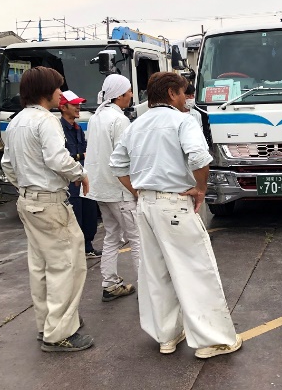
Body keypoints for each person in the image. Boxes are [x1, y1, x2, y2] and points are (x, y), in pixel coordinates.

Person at [110, 72, 242, 358]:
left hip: (145, 205)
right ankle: (213, 340)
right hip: (174, 203)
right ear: (172, 93)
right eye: (183, 93)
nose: (187, 99)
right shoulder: (183, 121)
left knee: (156, 272)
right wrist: (200, 188)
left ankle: (167, 336)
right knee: (196, 270)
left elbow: (118, 165)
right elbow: (198, 156)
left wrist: (138, 192)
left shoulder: (136, 124)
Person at [1, 66, 93, 352]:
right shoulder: (46, 121)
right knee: (68, 265)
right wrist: (80, 173)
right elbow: (58, 159)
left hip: (27, 201)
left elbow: (6, 164)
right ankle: (60, 333)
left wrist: (25, 187)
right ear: (46, 91)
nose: (60, 93)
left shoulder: (16, 121)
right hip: (50, 202)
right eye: (57, 88)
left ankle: (47, 325)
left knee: (41, 266)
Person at [83, 74, 140, 302]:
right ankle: (148, 290)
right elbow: (124, 158)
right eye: (128, 92)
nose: (131, 96)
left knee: (111, 236)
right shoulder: (120, 121)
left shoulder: (96, 118)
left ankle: (110, 284)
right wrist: (135, 188)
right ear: (119, 95)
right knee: (137, 239)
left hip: (100, 189)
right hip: (119, 189)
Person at [58, 90, 101, 259]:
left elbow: (85, 151)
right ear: (63, 107)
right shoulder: (58, 129)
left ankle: (87, 246)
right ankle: (75, 250)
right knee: (75, 217)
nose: (79, 108)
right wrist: (79, 157)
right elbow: (64, 156)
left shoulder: (77, 129)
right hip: (70, 182)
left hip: (84, 178)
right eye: (75, 105)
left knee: (89, 215)